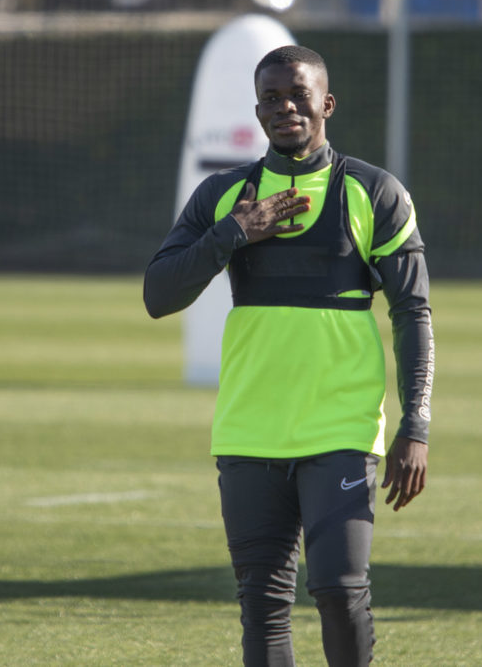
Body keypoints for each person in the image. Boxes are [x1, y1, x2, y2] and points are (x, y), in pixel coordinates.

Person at [143, 45, 434, 666]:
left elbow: (413, 313)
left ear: (326, 103)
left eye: (298, 95)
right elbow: (158, 296)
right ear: (257, 110)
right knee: (263, 603)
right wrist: (233, 235)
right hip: (249, 431)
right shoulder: (225, 196)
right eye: (271, 98)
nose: (286, 108)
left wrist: (416, 425)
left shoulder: (374, 192)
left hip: (340, 429)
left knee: (338, 590)